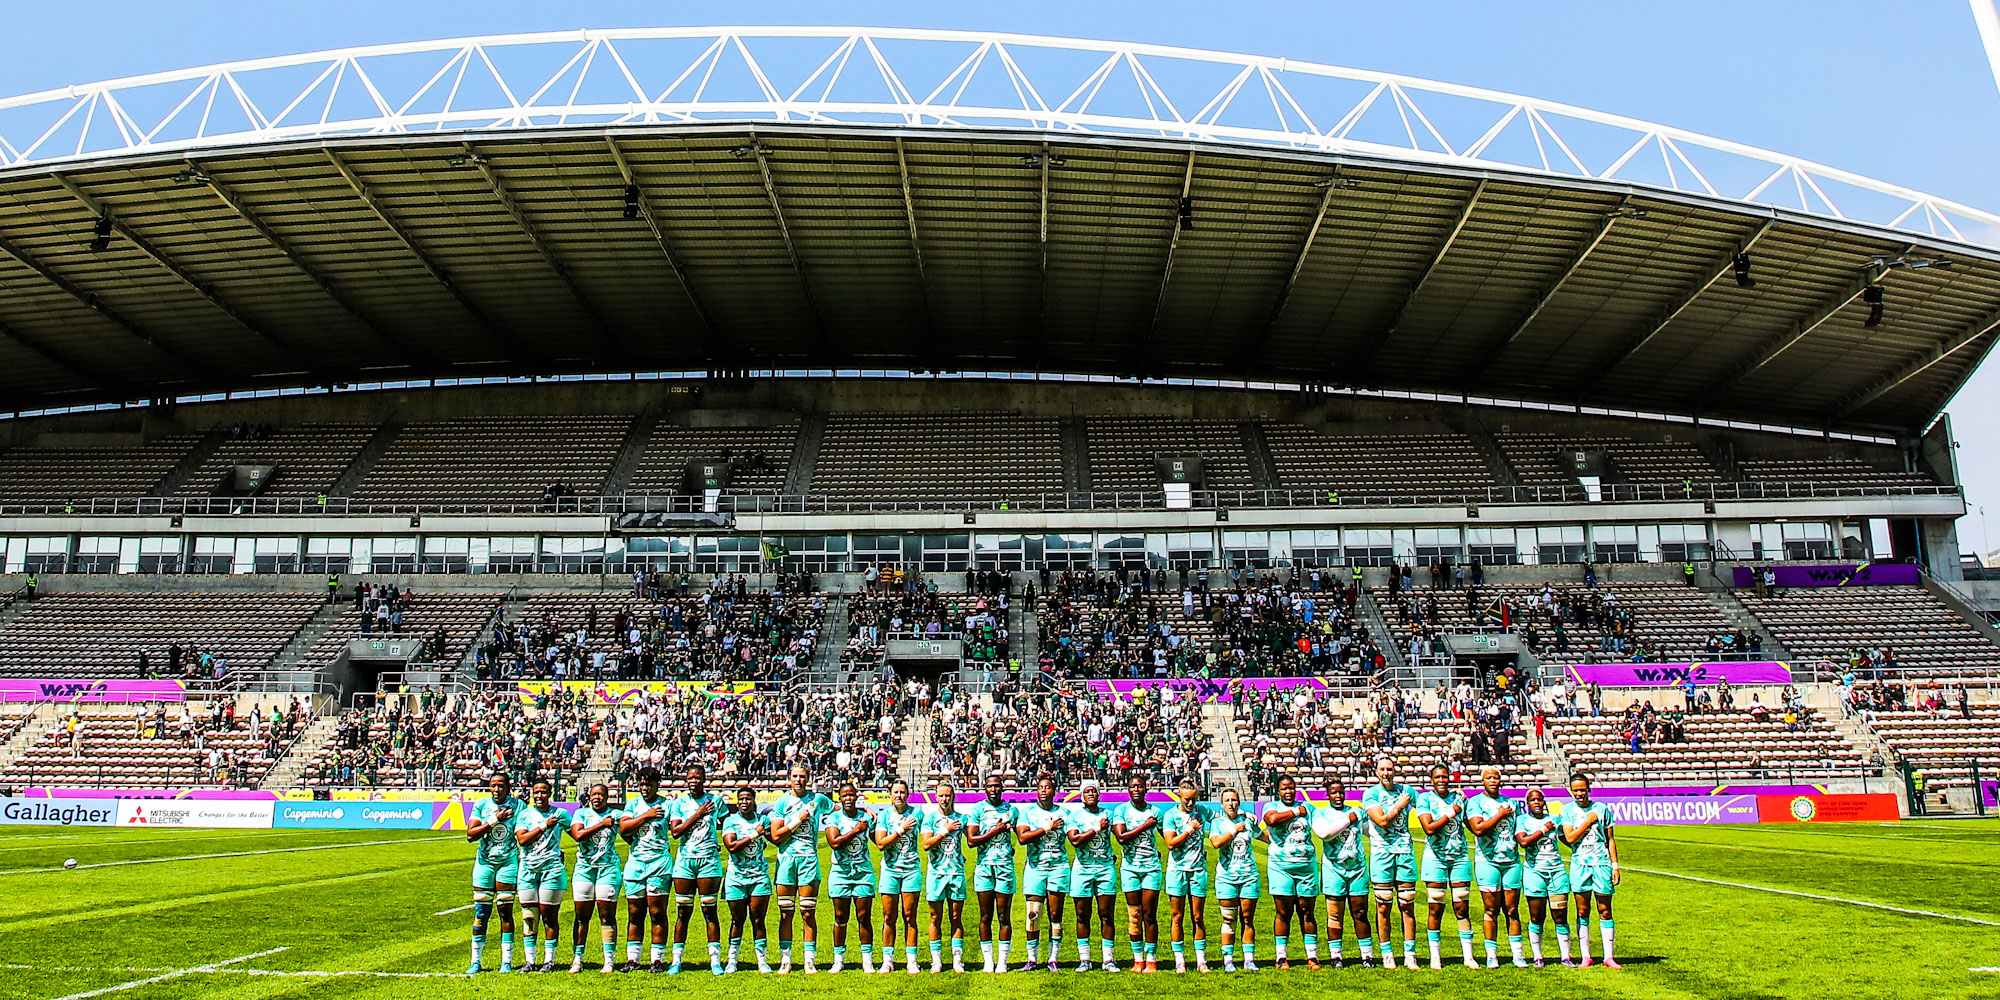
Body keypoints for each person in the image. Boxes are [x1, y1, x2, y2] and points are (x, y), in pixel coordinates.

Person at [769, 765, 833, 973]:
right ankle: (785, 959)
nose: (798, 780)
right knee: (786, 913)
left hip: (809, 860)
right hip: (786, 861)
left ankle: (809, 959)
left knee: (807, 912)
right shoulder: (781, 803)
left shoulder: (818, 800)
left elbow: (837, 809)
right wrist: (798, 820)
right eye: (795, 776)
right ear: (789, 779)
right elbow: (776, 836)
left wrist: (864, 809)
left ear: (808, 778)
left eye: (802, 776)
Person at [1465, 767, 1528, 968]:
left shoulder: (1511, 803)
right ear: (1482, 781)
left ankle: (1517, 954)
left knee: (1512, 909)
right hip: (1488, 861)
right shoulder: (1476, 802)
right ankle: (1491, 954)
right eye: (1488, 778)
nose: (1493, 780)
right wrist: (1500, 815)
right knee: (1491, 909)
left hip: (1511, 862)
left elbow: (1519, 828)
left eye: (1496, 777)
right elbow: (1478, 829)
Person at [666, 763, 726, 975]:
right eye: (690, 778)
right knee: (683, 912)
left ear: (704, 779)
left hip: (709, 862)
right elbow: (676, 832)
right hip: (685, 862)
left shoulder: (716, 801)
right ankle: (676, 960)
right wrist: (699, 813)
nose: (693, 781)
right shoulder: (679, 804)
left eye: (697, 778)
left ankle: (715, 960)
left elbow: (726, 824)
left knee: (710, 911)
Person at [1416, 763, 1476, 969]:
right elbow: (1429, 828)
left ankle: (1468, 956)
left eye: (1444, 777)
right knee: (1436, 907)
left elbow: (1471, 824)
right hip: (1435, 857)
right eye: (1437, 777)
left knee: (1462, 906)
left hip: (1459, 856)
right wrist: (1451, 812)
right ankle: (1435, 956)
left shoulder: (1459, 798)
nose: (1442, 780)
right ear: (1431, 780)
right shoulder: (1425, 799)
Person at [1362, 756, 1418, 969]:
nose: (1386, 773)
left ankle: (1410, 954)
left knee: (1407, 904)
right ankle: (1387, 954)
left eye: (1390, 769)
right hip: (1382, 853)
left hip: (1405, 852)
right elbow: (1382, 821)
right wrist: (1400, 805)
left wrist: (1455, 794)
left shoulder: (1407, 790)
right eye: (1382, 769)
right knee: (1383, 905)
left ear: (1395, 771)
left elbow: (1427, 804)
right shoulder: (1371, 794)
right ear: (1377, 772)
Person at [1260, 775, 1321, 970]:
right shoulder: (1272, 806)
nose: (1288, 791)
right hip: (1281, 867)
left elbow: (1322, 828)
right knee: (1283, 912)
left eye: (1292, 788)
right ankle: (1281, 957)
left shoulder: (1309, 808)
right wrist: (1296, 812)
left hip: (1306, 867)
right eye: (1284, 788)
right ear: (1277, 790)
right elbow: (1272, 820)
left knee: (1307, 912)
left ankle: (1312, 956)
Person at [466, 774, 523, 974]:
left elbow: (522, 833)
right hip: (484, 863)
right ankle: (476, 961)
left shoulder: (519, 806)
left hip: (508, 862)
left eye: (500, 786)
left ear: (508, 787)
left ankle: (506, 961)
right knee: (481, 912)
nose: (496, 789)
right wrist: (493, 820)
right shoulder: (481, 805)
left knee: (505, 911)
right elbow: (471, 835)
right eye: (493, 786)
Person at [1312, 774, 1371, 968]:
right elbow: (1325, 834)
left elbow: (1369, 830)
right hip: (1333, 869)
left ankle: (1367, 956)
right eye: (1333, 792)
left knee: (1360, 912)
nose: (1338, 795)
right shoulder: (1321, 814)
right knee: (1335, 915)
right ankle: (1336, 956)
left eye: (1341, 792)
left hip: (1357, 869)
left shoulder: (1356, 810)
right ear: (1327, 795)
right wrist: (1349, 819)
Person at [1563, 775, 1621, 969]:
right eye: (1575, 790)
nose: (1579, 793)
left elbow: (1610, 839)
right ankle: (1585, 956)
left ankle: (1608, 957)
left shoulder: (1602, 809)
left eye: (1582, 789)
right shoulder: (1568, 810)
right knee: (1582, 910)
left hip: (1601, 864)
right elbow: (1570, 838)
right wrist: (1588, 822)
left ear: (1589, 789)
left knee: (1604, 909)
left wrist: (1615, 865)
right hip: (1580, 864)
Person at [618, 767, 672, 972]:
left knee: (657, 912)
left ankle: (657, 959)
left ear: (657, 785)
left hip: (659, 864)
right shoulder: (633, 804)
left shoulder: (667, 805)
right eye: (641, 784)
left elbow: (675, 828)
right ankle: (633, 960)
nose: (644, 788)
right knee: (635, 913)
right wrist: (647, 815)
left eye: (648, 784)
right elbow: (624, 828)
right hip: (636, 864)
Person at [515, 779, 571, 973]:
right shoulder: (524, 815)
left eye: (544, 792)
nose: (540, 795)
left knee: (549, 916)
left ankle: (549, 960)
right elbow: (522, 839)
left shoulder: (560, 814)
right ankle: (530, 961)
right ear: (532, 793)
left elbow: (577, 833)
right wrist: (544, 826)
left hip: (552, 870)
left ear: (550, 793)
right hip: (528, 870)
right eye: (536, 791)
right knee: (529, 917)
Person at [1017, 774, 1071, 971]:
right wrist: (1046, 828)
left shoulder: (1065, 813)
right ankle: (1032, 959)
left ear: (1054, 791)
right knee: (1033, 914)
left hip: (1058, 868)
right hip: (1035, 868)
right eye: (1041, 787)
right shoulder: (1028, 813)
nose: (1044, 790)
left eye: (1048, 787)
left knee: (1055, 914)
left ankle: (1053, 958)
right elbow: (1023, 838)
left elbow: (1075, 837)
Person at [1207, 786, 1265, 971]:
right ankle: (1228, 960)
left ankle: (1249, 959)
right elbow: (1216, 843)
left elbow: (1265, 837)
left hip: (1249, 876)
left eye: (1234, 800)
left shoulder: (1247, 821)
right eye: (1227, 800)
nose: (1231, 803)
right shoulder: (1218, 823)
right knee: (1229, 918)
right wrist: (1233, 830)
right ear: (1222, 804)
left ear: (1239, 803)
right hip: (1226, 877)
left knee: (1248, 918)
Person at [568, 783, 624, 974]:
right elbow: (578, 835)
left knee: (607, 915)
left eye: (601, 794)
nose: (597, 797)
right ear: (589, 796)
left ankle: (609, 960)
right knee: (581, 917)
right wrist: (601, 824)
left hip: (608, 869)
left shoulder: (616, 815)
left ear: (607, 797)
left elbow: (628, 833)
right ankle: (577, 959)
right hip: (584, 869)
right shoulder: (581, 814)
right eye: (594, 794)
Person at [823, 781, 877, 973]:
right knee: (840, 917)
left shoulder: (866, 817)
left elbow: (877, 840)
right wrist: (856, 830)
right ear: (840, 798)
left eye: (851, 795)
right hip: (840, 873)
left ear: (856, 796)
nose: (848, 798)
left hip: (863, 872)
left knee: (864, 917)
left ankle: (867, 960)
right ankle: (838, 960)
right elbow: (835, 843)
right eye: (844, 795)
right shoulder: (833, 819)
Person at [1066, 779, 1120, 971]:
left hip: (1105, 869)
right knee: (1082, 915)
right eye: (1087, 791)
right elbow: (1075, 840)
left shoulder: (1108, 814)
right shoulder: (1075, 816)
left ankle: (1108, 959)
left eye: (1094, 791)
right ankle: (1085, 959)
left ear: (1099, 794)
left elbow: (1121, 836)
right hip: (1082, 869)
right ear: (1082, 794)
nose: (1090, 794)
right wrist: (1097, 828)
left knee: (1107, 915)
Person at [1162, 778, 1215, 974]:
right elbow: (1170, 843)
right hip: (1177, 870)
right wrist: (1190, 829)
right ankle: (1180, 960)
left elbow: (1220, 817)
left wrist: (1244, 815)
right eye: (1187, 800)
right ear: (1179, 796)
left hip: (1198, 869)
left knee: (1198, 916)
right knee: (1177, 916)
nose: (1191, 803)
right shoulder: (1170, 815)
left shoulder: (1201, 811)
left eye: (1193, 799)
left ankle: (1201, 960)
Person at [871, 778, 924, 974]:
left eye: (902, 792)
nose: (899, 796)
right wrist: (901, 829)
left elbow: (929, 834)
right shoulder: (885, 816)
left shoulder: (916, 814)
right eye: (896, 792)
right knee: (889, 917)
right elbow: (881, 843)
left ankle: (912, 960)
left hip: (911, 870)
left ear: (907, 794)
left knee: (910, 916)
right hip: (890, 870)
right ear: (890, 794)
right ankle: (888, 960)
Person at [1113, 773, 1164, 973]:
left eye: (1140, 786)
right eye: (1133, 786)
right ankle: (1138, 959)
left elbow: (1168, 835)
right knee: (1134, 915)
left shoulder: (1156, 812)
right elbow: (1121, 838)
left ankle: (1151, 958)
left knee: (1149, 914)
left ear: (1146, 789)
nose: (1136, 789)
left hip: (1151, 867)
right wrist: (1145, 826)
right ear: (1128, 789)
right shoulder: (1121, 810)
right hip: (1130, 868)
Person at [721, 784, 774, 973]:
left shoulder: (764, 820)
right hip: (736, 877)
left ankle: (762, 960)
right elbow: (732, 846)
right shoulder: (730, 821)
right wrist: (754, 834)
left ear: (754, 801)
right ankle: (732, 960)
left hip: (759, 876)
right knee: (737, 920)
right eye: (741, 799)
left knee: (758, 919)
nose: (744, 802)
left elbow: (776, 837)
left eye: (748, 799)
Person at [1516, 788, 1573, 967]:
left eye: (1539, 799)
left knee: (1560, 916)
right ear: (1528, 803)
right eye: (1533, 800)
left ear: (1544, 801)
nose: (1537, 803)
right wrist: (1543, 830)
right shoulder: (1522, 820)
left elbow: (1569, 839)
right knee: (1537, 917)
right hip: (1534, 872)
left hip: (1556, 872)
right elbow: (1523, 842)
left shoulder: (1555, 820)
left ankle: (1566, 957)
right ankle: (1538, 957)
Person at [968, 773, 1018, 973]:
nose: (994, 789)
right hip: (984, 868)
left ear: (1002, 788)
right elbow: (971, 841)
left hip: (1004, 867)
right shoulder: (977, 809)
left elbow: (1016, 838)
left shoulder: (1011, 810)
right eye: (990, 786)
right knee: (985, 916)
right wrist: (994, 832)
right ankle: (988, 961)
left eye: (997, 786)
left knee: (1004, 916)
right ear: (985, 788)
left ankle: (1003, 961)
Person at [920, 780, 970, 972]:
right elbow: (926, 844)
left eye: (947, 795)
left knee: (956, 917)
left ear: (953, 797)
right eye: (940, 795)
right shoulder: (930, 819)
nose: (944, 799)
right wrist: (945, 830)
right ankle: (937, 961)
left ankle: (957, 960)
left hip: (956, 873)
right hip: (936, 873)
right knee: (935, 917)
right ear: (935, 797)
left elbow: (974, 837)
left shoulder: (961, 819)